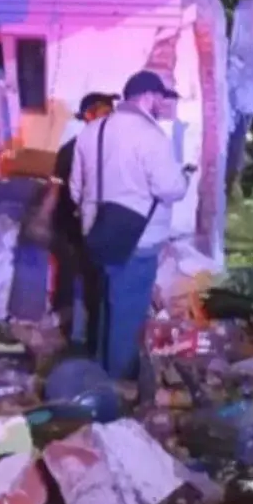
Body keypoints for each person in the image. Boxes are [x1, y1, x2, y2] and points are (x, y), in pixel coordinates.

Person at [70, 71, 191, 385]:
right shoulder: (151, 136)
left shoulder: (91, 132)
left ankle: (97, 372)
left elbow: (75, 188)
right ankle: (117, 385)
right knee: (127, 311)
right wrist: (185, 178)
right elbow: (169, 188)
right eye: (161, 98)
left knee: (106, 304)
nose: (163, 105)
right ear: (148, 96)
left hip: (96, 232)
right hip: (137, 236)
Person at [51, 92, 117, 344]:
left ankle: (91, 334)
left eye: (111, 111)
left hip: (99, 226)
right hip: (75, 228)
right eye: (103, 111)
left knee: (96, 281)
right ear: (88, 116)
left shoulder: (112, 148)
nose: (110, 116)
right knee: (81, 278)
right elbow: (67, 193)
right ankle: (80, 334)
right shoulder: (72, 150)